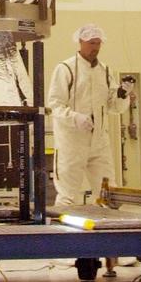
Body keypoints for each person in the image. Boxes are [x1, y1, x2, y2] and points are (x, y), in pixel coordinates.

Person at [48, 24, 128, 210]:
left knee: (108, 193)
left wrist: (123, 96)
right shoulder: (66, 69)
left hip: (99, 140)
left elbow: (114, 106)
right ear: (81, 42)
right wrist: (75, 117)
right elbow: (55, 105)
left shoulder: (105, 71)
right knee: (68, 195)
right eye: (92, 43)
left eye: (98, 43)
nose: (96, 47)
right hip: (72, 142)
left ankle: (109, 235)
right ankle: (60, 236)